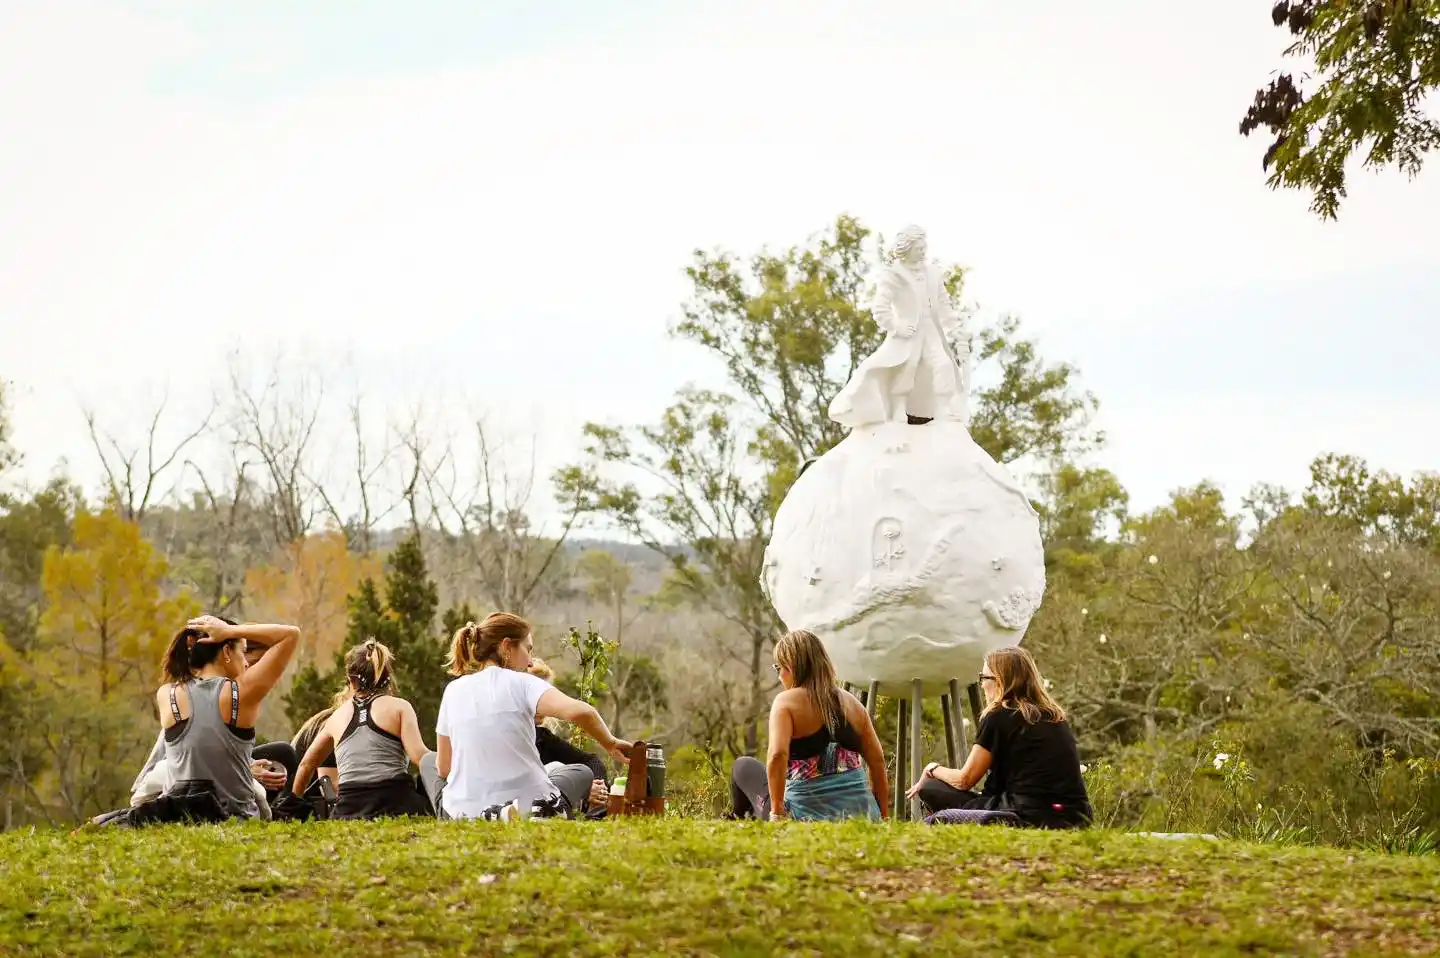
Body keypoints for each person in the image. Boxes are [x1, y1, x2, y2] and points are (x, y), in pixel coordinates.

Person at [419, 612, 630, 820]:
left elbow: (444, 768)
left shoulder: (453, 690)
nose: (530, 660)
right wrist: (610, 743)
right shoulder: (524, 683)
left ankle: (487, 813)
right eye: (528, 649)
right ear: (506, 646)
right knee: (582, 772)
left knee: (429, 759)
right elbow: (581, 711)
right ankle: (535, 809)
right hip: (527, 800)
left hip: (462, 812)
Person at [906, 646, 1091, 829]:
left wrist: (932, 768)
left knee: (931, 788)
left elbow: (964, 780)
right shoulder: (1055, 717)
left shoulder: (999, 716)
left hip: (1026, 815)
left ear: (1001, 681)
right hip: (1077, 816)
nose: (982, 684)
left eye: (984, 677)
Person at [730, 630, 888, 822]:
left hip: (804, 816)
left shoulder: (785, 702)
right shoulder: (853, 705)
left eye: (778, 668)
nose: (779, 676)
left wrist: (778, 813)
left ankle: (738, 822)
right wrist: (882, 817)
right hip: (862, 817)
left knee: (743, 766)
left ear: (792, 667)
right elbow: (878, 761)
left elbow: (778, 755)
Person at [152, 615, 300, 820]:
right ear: (227, 651)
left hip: (179, 817)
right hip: (234, 817)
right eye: (243, 651)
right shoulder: (240, 694)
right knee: (284, 753)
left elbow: (201, 750)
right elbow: (291, 635)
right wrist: (230, 632)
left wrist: (247, 768)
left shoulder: (167, 694)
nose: (247, 662)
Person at [290, 639, 433, 819]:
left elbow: (306, 764)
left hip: (349, 809)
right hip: (398, 803)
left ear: (350, 679)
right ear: (386, 676)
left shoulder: (335, 718)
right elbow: (419, 756)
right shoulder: (399, 707)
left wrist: (294, 805)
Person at [528, 657, 609, 818]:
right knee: (558, 768)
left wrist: (594, 787)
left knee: (581, 772)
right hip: (509, 801)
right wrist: (583, 791)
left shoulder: (543, 737)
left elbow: (592, 761)